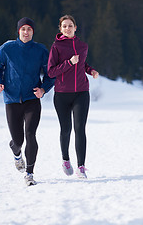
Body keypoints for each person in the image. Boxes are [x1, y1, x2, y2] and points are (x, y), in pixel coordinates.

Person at [0, 17, 54, 186]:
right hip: (11, 100)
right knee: (18, 141)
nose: (26, 32)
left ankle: (30, 173)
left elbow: (50, 73)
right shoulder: (7, 48)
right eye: (23, 29)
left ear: (33, 32)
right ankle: (16, 153)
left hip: (32, 99)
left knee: (30, 134)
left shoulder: (40, 50)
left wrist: (43, 89)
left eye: (29, 29)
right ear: (18, 31)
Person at [48, 15, 99, 179]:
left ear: (75, 28)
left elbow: (83, 64)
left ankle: (81, 167)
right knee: (66, 129)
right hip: (62, 94)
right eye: (64, 26)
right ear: (60, 29)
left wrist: (91, 71)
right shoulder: (56, 47)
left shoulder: (82, 46)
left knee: (80, 129)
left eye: (70, 26)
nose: (67, 28)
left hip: (81, 93)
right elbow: (51, 71)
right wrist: (69, 63)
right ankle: (65, 160)